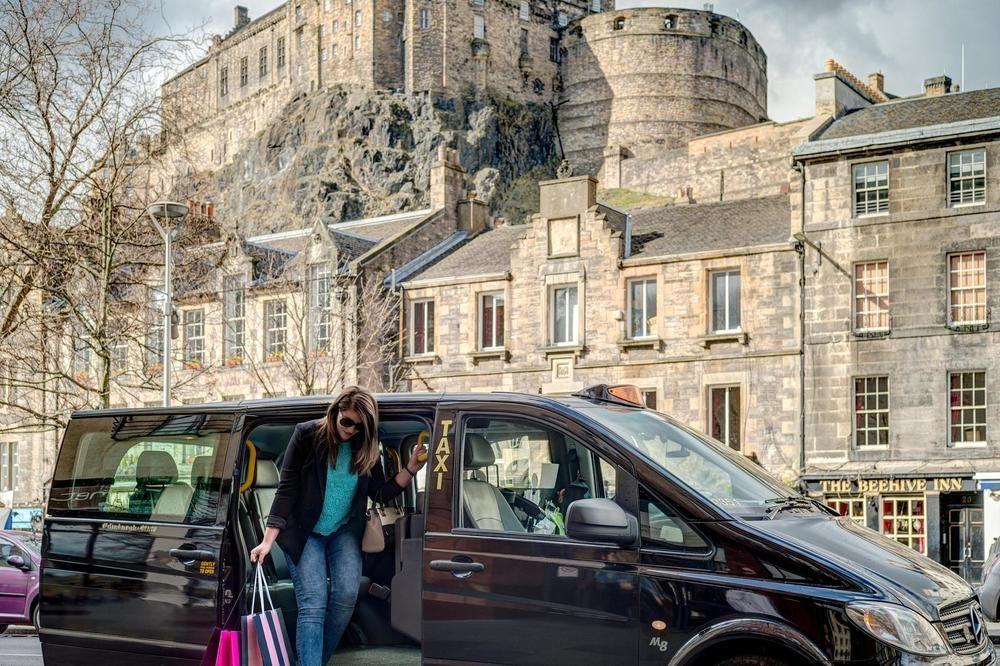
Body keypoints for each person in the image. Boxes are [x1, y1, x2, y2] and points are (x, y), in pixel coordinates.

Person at [250, 386, 427, 666]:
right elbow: (286, 491)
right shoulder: (307, 435)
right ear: (334, 414)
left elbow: (379, 493)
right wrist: (268, 541)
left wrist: (411, 470)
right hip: (306, 532)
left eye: (360, 426)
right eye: (347, 421)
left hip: (344, 530)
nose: (351, 429)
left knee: (345, 596)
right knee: (314, 603)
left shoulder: (365, 443)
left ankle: (311, 661)